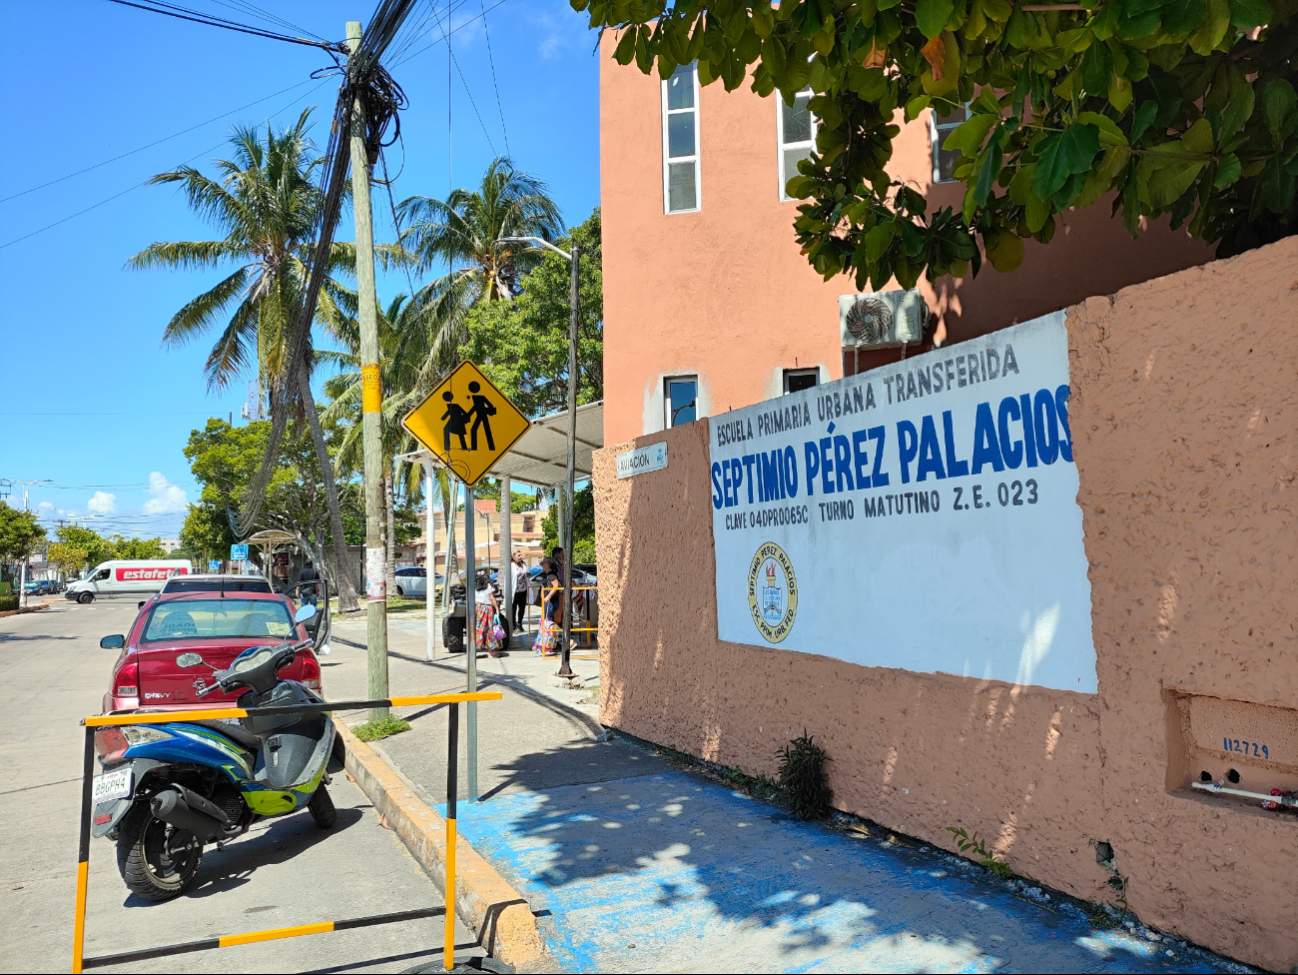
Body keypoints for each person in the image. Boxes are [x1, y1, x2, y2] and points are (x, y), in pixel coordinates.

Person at [473, 570, 504, 658]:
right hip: (487, 608)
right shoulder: (488, 586)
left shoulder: (474, 587)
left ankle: (474, 650)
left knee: (479, 628)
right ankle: (490, 651)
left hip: (478, 608)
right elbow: (492, 598)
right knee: (490, 629)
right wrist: (497, 608)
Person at [510, 552, 529, 632]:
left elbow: (525, 574)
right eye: (518, 555)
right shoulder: (511, 566)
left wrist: (527, 574)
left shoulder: (523, 565)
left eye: (521, 555)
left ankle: (519, 623)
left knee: (522, 608)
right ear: (513, 556)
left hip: (523, 590)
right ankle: (513, 625)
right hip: (515, 591)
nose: (520, 557)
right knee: (513, 608)